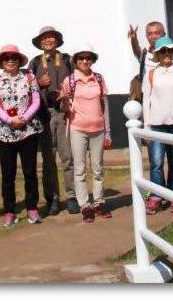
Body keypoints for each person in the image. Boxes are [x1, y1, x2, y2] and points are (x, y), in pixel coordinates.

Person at [0, 44, 43, 227]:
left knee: (30, 172)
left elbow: (36, 100)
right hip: (5, 132)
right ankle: (9, 210)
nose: (10, 60)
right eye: (6, 58)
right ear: (1, 62)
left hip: (28, 130)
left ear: (19, 60)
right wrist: (9, 120)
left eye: (13, 57)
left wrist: (25, 118)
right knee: (8, 174)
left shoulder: (29, 77)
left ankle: (32, 207)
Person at [27, 25, 78, 216]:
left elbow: (76, 80)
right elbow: (27, 88)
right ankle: (53, 198)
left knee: (67, 157)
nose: (48, 41)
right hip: (43, 114)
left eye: (51, 38)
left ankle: (72, 196)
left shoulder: (67, 59)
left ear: (57, 40)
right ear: (40, 42)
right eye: (44, 38)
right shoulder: (33, 63)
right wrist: (38, 84)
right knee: (48, 158)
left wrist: (66, 95)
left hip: (63, 112)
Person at [59, 43, 112, 223]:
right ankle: (85, 205)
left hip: (98, 128)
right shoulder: (70, 80)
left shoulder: (98, 78)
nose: (85, 61)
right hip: (77, 128)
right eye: (81, 57)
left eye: (88, 57)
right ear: (75, 60)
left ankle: (99, 202)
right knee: (80, 169)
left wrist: (108, 131)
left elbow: (104, 105)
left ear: (92, 60)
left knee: (98, 169)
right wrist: (65, 101)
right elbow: (63, 106)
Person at [143, 36, 173, 214]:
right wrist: (146, 127)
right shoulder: (151, 74)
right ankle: (156, 196)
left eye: (169, 51)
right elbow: (146, 100)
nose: (166, 54)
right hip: (157, 123)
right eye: (163, 51)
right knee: (156, 162)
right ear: (157, 54)